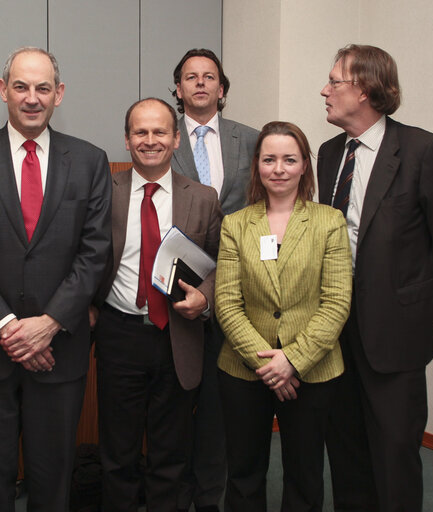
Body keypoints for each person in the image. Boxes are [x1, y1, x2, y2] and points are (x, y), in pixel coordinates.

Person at [0, 47, 111, 512]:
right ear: (3, 91)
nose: (31, 98)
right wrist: (10, 328)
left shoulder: (90, 161)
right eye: (20, 86)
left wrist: (49, 323)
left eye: (41, 88)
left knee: (52, 478)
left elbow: (95, 252)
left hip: (59, 353)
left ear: (59, 94)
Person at [318, 44, 433, 512]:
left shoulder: (425, 150)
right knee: (345, 453)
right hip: (335, 331)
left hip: (397, 334)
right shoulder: (328, 154)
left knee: (394, 455)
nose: (324, 91)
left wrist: (421, 311)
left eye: (334, 81)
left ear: (364, 89)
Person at [90, 98, 222, 511]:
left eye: (160, 132)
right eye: (141, 133)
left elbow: (223, 266)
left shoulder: (203, 197)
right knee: (118, 452)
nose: (151, 141)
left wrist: (206, 298)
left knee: (171, 452)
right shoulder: (101, 193)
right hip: (119, 333)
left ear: (176, 138)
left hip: (178, 335)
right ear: (127, 141)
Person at [215, 121, 353, 511]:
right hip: (245, 369)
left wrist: (291, 360)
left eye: (289, 159)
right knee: (242, 473)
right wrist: (267, 363)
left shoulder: (329, 221)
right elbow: (227, 302)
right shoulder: (236, 224)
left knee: (305, 473)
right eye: (269, 159)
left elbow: (337, 301)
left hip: (313, 369)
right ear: (256, 165)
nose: (279, 168)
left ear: (304, 166)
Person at [171, 48, 260, 512]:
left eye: (210, 77)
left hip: (240, 287)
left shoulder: (252, 139)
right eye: (191, 77)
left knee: (223, 408)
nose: (201, 83)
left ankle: (212, 497)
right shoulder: (163, 138)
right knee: (174, 404)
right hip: (179, 284)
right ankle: (177, 495)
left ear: (221, 89)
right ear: (179, 88)